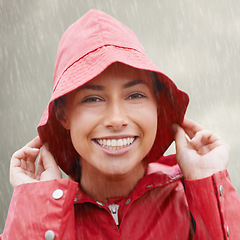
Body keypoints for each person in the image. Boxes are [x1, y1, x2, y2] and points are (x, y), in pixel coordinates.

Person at [1, 9, 240, 240]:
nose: (116, 119)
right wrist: (36, 204)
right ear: (63, 115)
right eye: (92, 99)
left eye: (135, 95)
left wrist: (207, 183)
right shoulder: (40, 215)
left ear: (157, 106)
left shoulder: (192, 198)